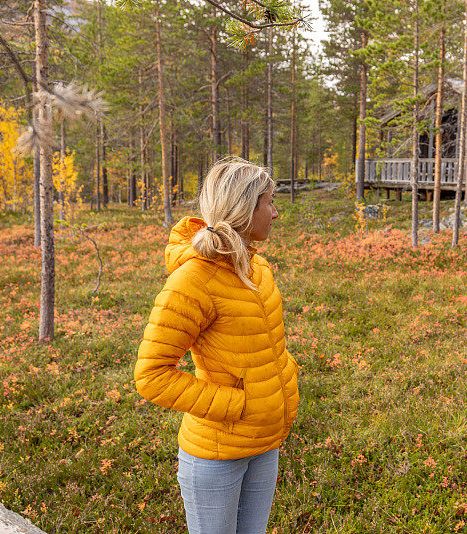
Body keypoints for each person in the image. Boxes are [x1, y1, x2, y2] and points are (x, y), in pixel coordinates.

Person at [134, 157, 299, 534]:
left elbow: (266, 348)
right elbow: (152, 376)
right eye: (269, 202)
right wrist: (236, 406)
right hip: (217, 454)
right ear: (245, 209)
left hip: (265, 443)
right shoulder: (193, 280)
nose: (275, 213)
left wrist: (283, 382)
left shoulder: (258, 269)